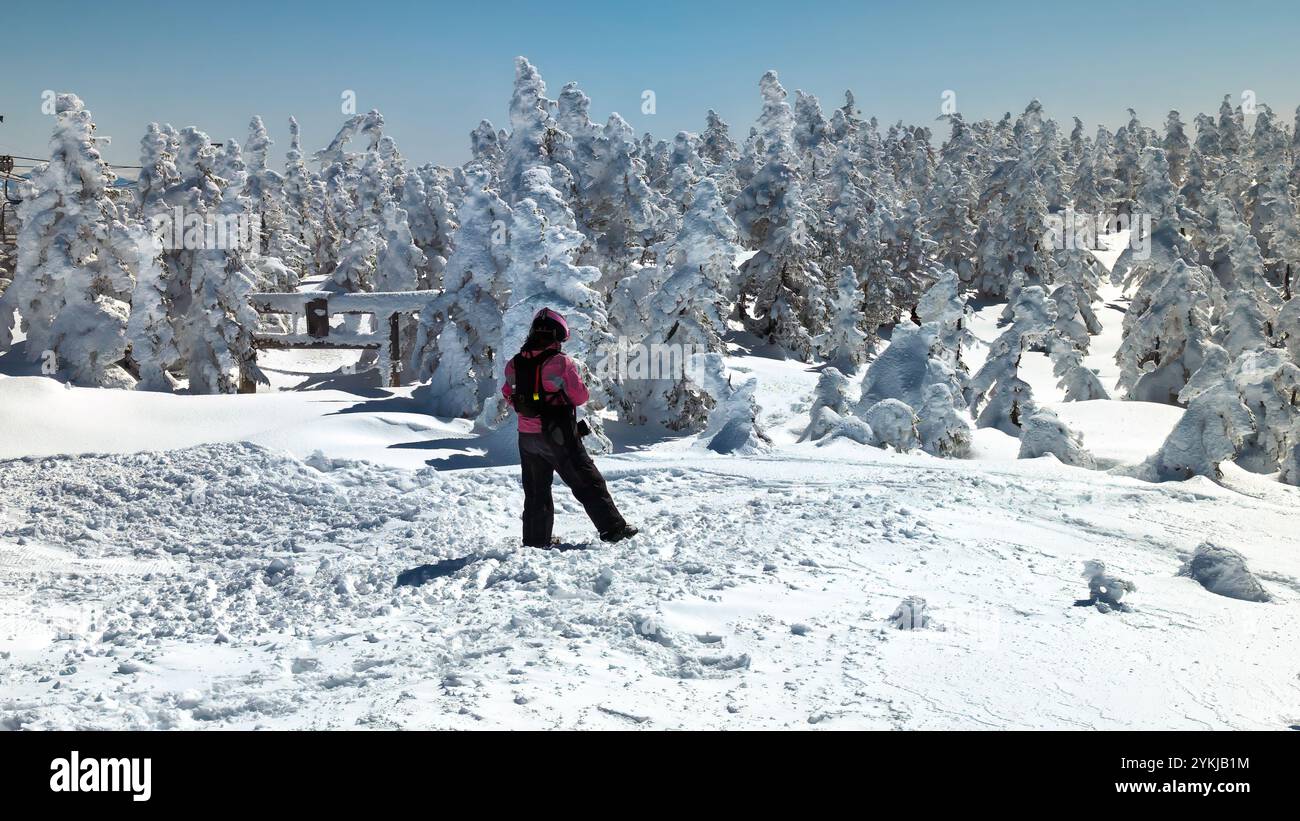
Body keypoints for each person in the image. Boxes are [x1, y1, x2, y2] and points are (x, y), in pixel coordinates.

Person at [503, 308, 638, 548]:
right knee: (588, 481)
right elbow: (579, 396)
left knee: (536, 491)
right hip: (558, 437)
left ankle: (536, 541)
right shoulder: (560, 362)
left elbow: (508, 394)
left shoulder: (514, 363)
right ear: (558, 335)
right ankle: (613, 529)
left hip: (526, 437)